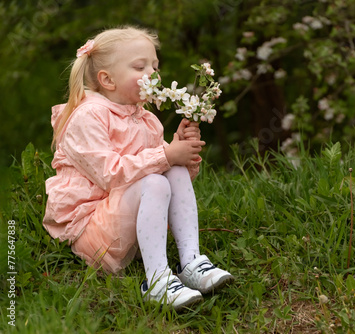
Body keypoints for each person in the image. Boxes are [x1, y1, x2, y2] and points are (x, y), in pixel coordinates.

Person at [43, 26, 234, 310]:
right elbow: (110, 175)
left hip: (126, 216)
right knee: (155, 180)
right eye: (140, 66)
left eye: (155, 65)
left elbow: (165, 173)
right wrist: (167, 155)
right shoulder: (88, 116)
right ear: (107, 79)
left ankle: (191, 262)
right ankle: (156, 280)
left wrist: (180, 152)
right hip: (92, 229)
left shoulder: (146, 119)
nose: (154, 74)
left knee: (173, 172)